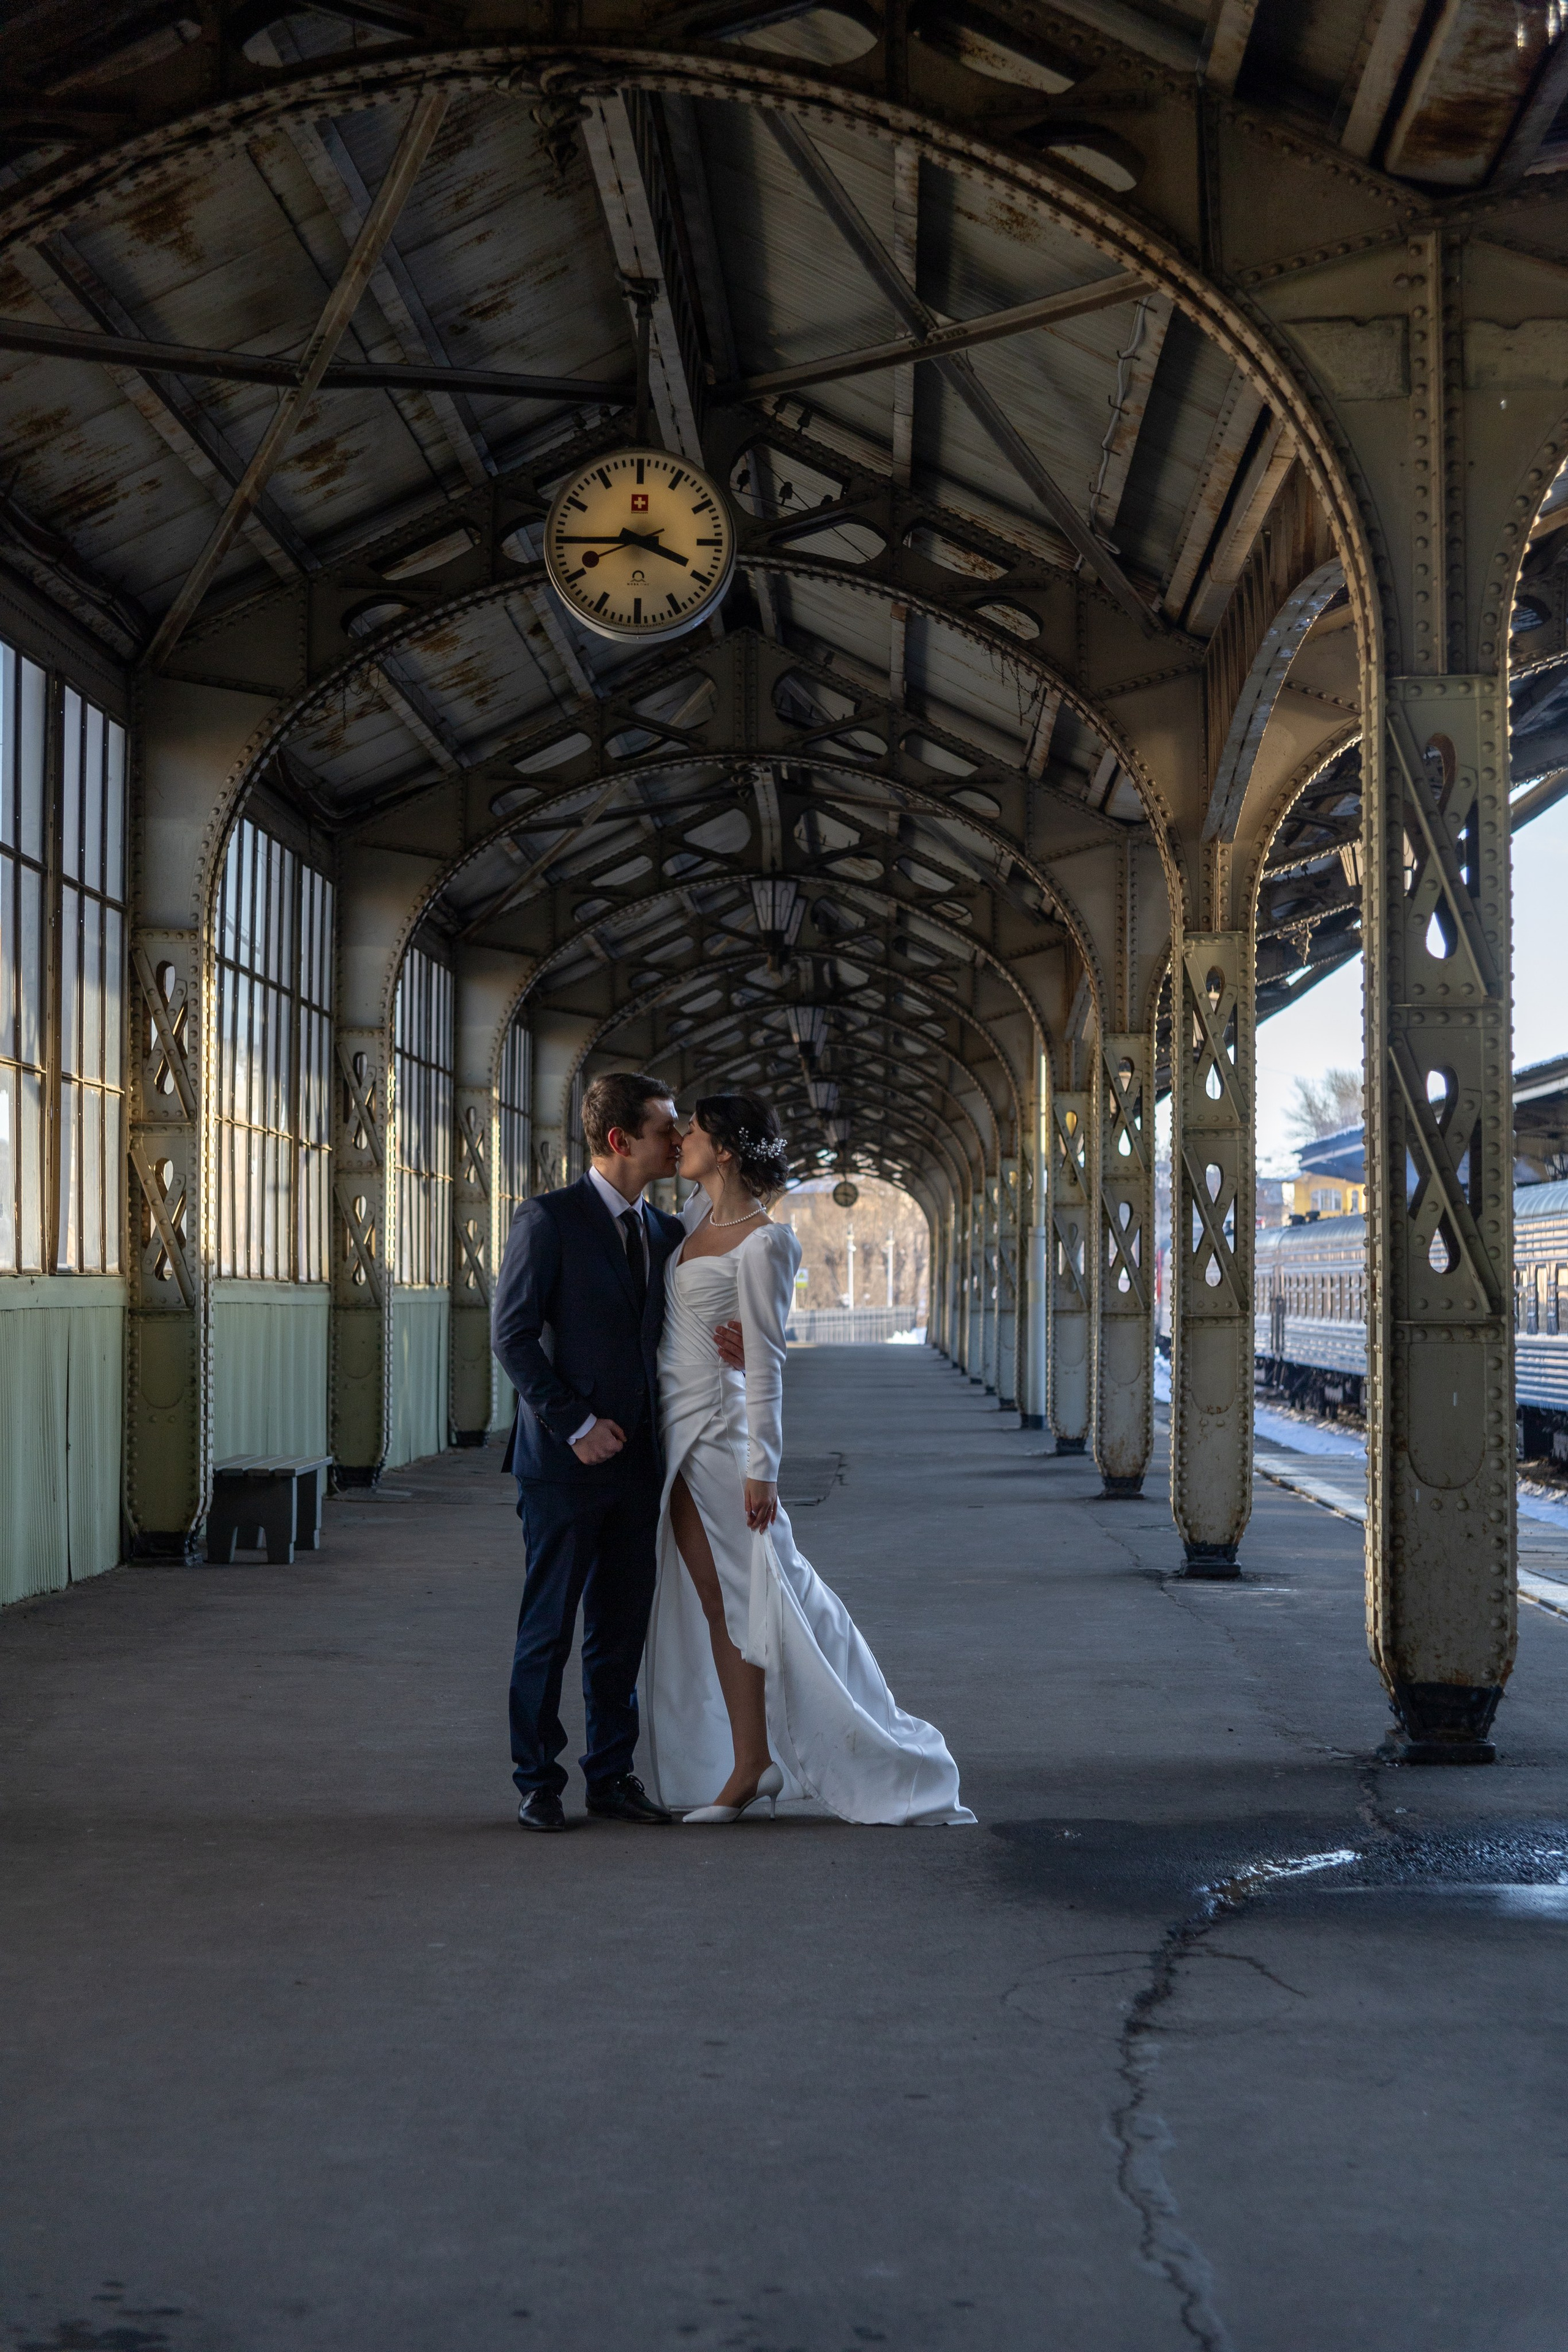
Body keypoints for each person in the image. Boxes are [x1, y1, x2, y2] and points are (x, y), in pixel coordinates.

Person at [642, 1092, 974, 1827]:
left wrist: (762, 1469)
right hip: (677, 1428)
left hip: (723, 1436)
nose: (680, 1140)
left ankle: (798, 1757)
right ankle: (750, 1761)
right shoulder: (692, 1221)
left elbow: (766, 1366)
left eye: (692, 1131)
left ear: (724, 1150)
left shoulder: (767, 1243)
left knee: (766, 1591)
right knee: (716, 1599)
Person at [490, 1071, 741, 1833]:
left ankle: (611, 1775)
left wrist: (734, 1344)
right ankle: (537, 1782)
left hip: (641, 1467)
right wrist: (575, 1424)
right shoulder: (548, 1220)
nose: (679, 1139)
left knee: (619, 1630)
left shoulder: (666, 1234)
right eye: (666, 1128)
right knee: (549, 1629)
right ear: (618, 1140)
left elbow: (684, 1332)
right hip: (562, 1467)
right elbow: (512, 1336)